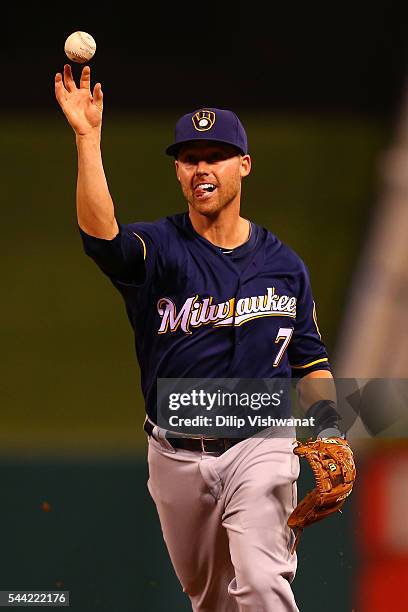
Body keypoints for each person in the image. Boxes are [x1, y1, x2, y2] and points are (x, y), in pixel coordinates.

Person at [55, 64, 343, 612]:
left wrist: (329, 431)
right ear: (179, 172)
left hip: (261, 443)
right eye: (189, 158)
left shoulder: (285, 266)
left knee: (261, 584)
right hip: (175, 454)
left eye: (214, 156)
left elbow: (310, 361)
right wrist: (87, 140)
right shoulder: (160, 248)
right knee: (211, 602)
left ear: (245, 165)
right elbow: (102, 239)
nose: (200, 167)